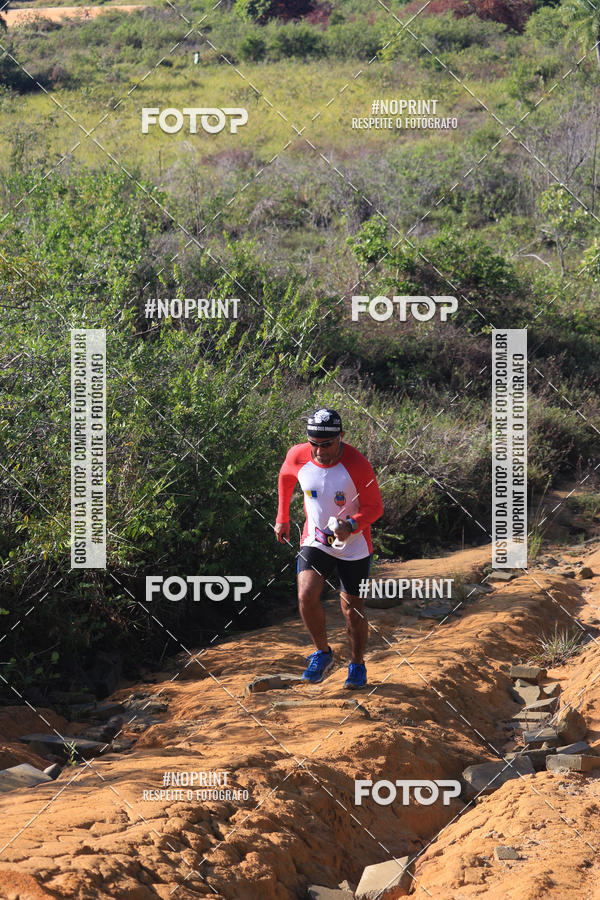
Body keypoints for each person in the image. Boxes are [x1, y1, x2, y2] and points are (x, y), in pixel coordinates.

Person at [274, 408, 384, 689]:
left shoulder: (358, 464)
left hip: (354, 545)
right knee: (306, 594)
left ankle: (357, 664)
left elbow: (375, 507)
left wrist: (351, 524)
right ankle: (322, 653)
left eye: (327, 444)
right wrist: (282, 517)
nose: (320, 451)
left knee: (352, 610)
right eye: (314, 444)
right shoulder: (298, 455)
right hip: (316, 539)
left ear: (341, 438)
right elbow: (286, 478)